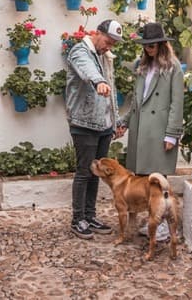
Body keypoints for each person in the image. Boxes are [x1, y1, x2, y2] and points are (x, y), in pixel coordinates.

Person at [120, 22, 184, 242]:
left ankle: (165, 226)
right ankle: (152, 222)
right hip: (140, 130)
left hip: (159, 131)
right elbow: (137, 101)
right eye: (146, 44)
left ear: (162, 44)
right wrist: (125, 122)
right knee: (144, 182)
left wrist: (172, 134)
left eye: (153, 44)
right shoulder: (141, 65)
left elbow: (177, 102)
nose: (149, 48)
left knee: (159, 181)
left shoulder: (173, 67)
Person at [65, 19, 124, 239]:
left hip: (103, 126)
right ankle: (77, 219)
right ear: (97, 33)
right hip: (84, 124)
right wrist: (98, 81)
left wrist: (115, 122)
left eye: (113, 44)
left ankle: (90, 216)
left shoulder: (104, 57)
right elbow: (88, 71)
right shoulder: (80, 51)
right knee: (83, 172)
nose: (109, 47)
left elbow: (112, 90)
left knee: (96, 173)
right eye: (108, 41)